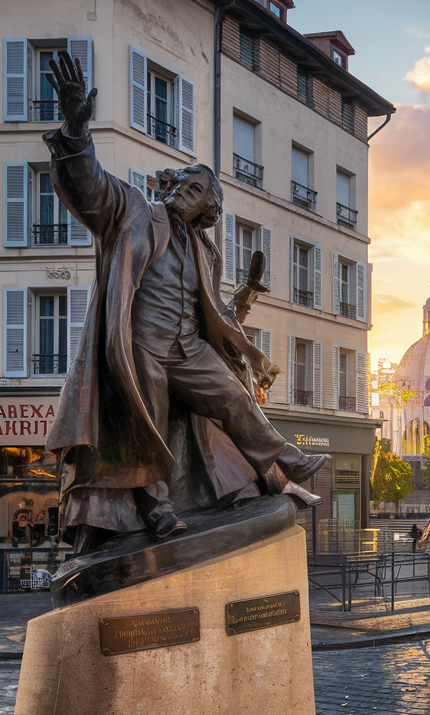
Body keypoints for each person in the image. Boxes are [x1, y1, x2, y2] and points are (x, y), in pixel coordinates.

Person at [39, 52, 328, 551]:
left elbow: (212, 314)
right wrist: (74, 132)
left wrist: (247, 308)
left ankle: (288, 460)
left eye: (196, 191)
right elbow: (88, 188)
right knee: (144, 428)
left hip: (187, 349)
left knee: (235, 399)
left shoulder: (205, 252)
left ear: (207, 209)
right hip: (140, 347)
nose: (182, 193)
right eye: (182, 184)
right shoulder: (133, 211)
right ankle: (159, 513)